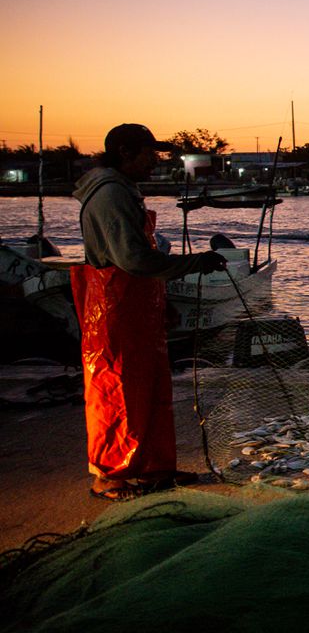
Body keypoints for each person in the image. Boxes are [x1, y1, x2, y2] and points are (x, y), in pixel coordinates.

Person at [71, 124, 226, 501]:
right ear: (125, 152)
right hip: (115, 310)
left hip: (138, 304)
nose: (154, 161)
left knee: (150, 390)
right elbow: (133, 258)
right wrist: (194, 263)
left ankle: (154, 469)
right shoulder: (109, 194)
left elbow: (140, 262)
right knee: (117, 391)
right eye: (148, 154)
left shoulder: (124, 189)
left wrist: (163, 300)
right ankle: (109, 476)